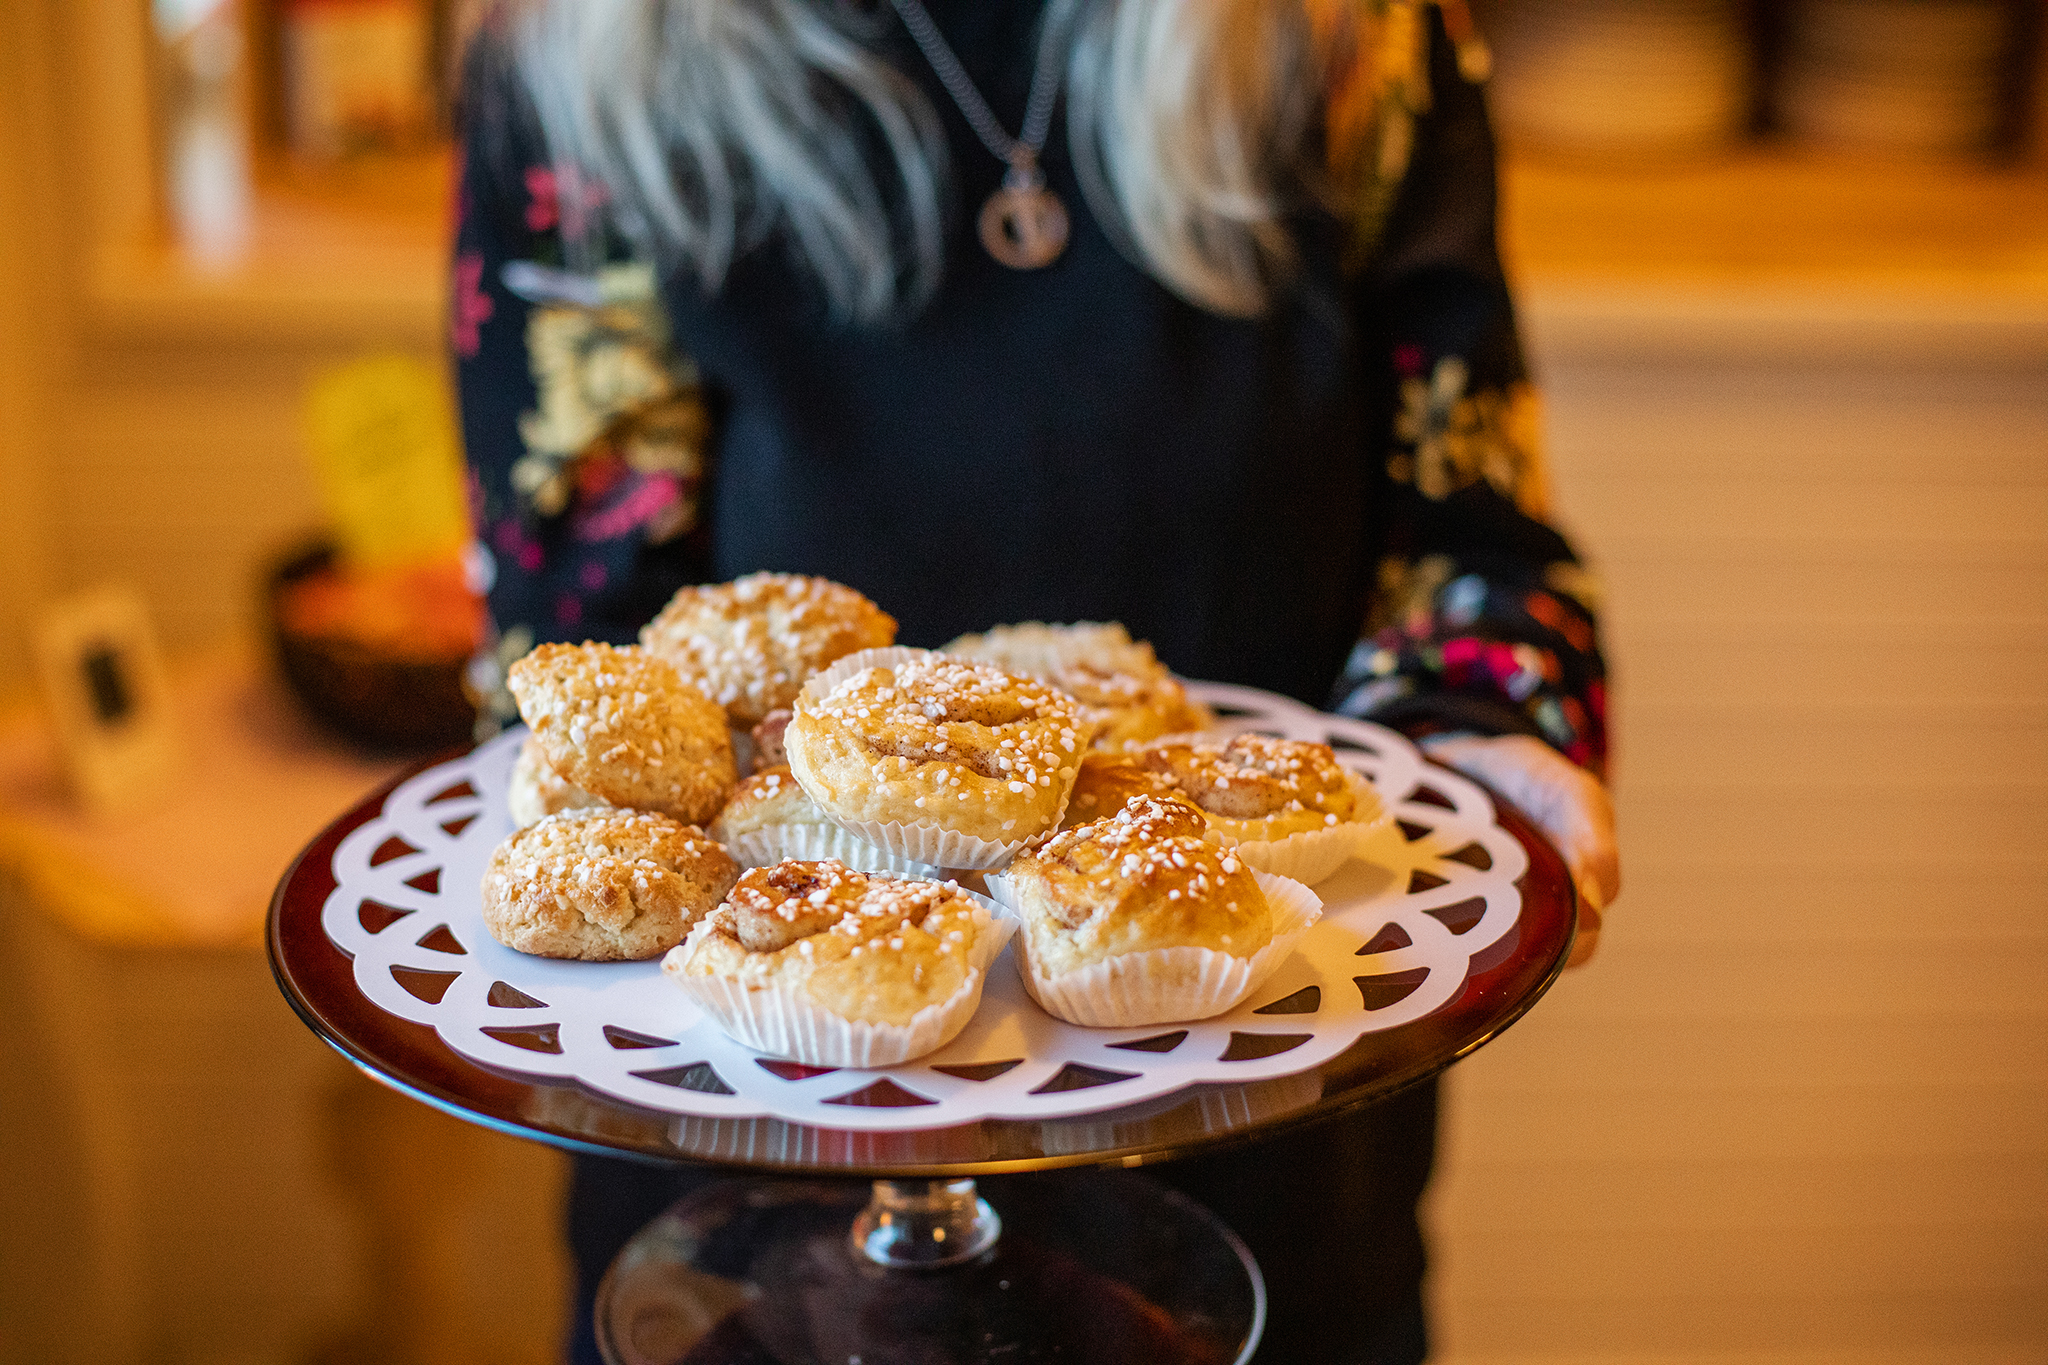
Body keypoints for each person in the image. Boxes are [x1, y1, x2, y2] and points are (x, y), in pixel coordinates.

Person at [450, 2, 1621, 1361]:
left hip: (1261, 1096)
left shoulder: (1356, 39)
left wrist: (1481, 730)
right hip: (746, 1187)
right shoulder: (583, 58)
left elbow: (1467, 538)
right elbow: (567, 651)